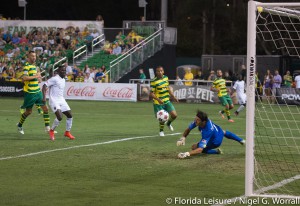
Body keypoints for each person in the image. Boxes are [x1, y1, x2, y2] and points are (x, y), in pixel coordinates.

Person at [176, 110, 245, 159]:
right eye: (195, 118)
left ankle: (216, 152)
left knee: (194, 147)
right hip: (219, 131)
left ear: (203, 122)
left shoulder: (207, 131)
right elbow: (188, 129)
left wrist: (186, 154)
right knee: (224, 132)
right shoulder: (201, 120)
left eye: (197, 120)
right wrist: (183, 138)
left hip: (215, 141)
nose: (195, 121)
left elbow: (200, 149)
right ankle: (241, 140)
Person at [17, 51, 50, 134]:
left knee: (46, 109)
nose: (34, 57)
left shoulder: (36, 67)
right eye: (32, 56)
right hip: (30, 92)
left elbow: (39, 79)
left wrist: (39, 79)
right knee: (29, 112)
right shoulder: (26, 67)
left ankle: (47, 127)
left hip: (38, 91)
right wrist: (35, 76)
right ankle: (20, 125)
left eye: (35, 56)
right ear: (28, 57)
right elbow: (24, 78)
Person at [42, 66, 75, 141]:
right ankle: (51, 130)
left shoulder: (63, 79)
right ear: (58, 71)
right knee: (60, 117)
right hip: (54, 101)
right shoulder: (54, 79)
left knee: (70, 116)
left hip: (61, 100)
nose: (64, 72)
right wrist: (44, 98)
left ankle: (67, 132)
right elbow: (44, 86)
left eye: (65, 70)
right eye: (62, 70)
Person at [150, 66, 179, 136]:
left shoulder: (166, 78)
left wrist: (173, 97)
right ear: (156, 72)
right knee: (162, 117)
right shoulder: (154, 81)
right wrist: (158, 100)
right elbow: (151, 93)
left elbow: (168, 88)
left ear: (163, 71)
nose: (160, 72)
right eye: (158, 71)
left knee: (174, 115)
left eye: (161, 71)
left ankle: (168, 124)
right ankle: (161, 131)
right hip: (158, 102)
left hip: (166, 100)